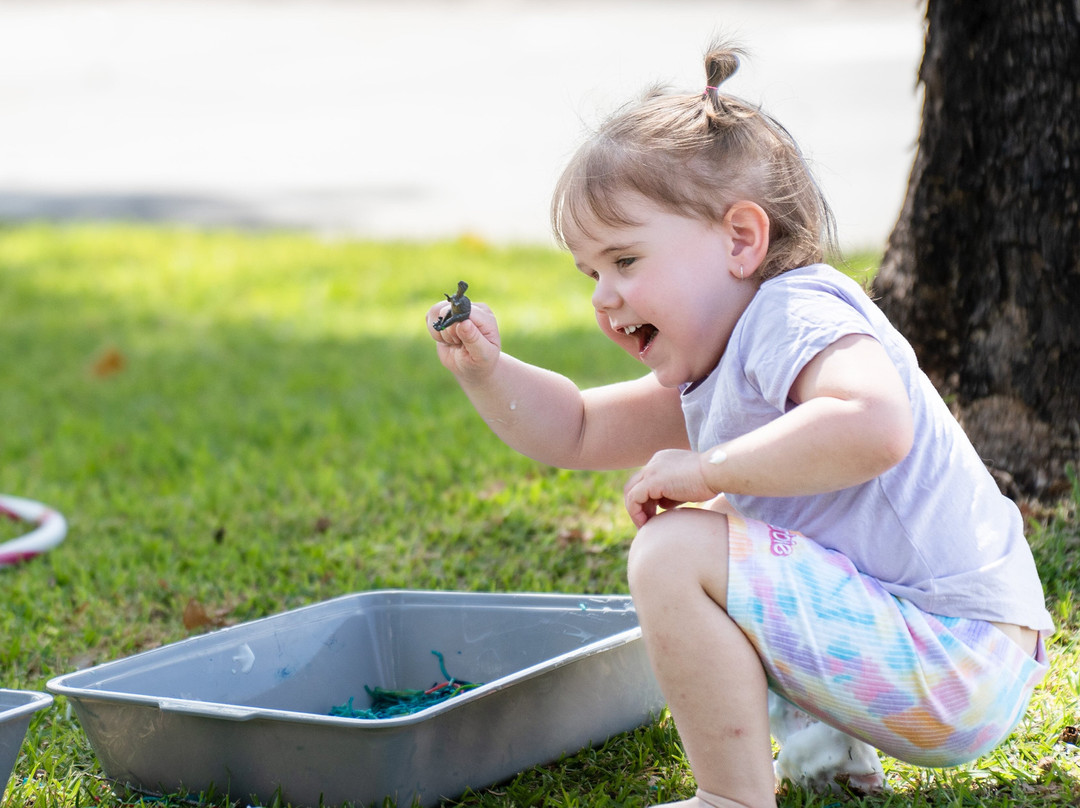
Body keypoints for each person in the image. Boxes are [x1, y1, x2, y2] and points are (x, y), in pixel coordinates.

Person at [426, 42, 1053, 808]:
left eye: (625, 260)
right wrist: (489, 371)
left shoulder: (796, 311)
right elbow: (579, 429)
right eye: (592, 273)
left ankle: (731, 798)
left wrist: (711, 470)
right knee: (736, 530)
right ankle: (829, 765)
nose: (603, 297)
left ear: (741, 240)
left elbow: (875, 422)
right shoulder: (718, 367)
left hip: (956, 658)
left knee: (677, 549)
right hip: (940, 661)